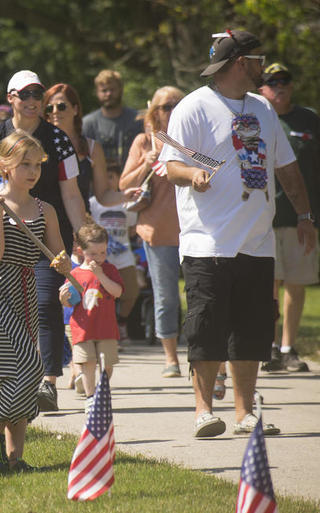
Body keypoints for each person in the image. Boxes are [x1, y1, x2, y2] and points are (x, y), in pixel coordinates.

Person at [160, 29, 316, 437]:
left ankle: (245, 413)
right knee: (206, 327)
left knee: (251, 330)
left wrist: (304, 215)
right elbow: (170, 163)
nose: (264, 66)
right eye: (259, 58)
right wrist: (192, 173)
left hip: (257, 242)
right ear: (242, 63)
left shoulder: (264, 109)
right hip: (207, 241)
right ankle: (203, 411)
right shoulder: (193, 108)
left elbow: (286, 167)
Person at [0, 70, 86, 413]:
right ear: (10, 98)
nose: (32, 101)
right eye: (24, 95)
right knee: (11, 319)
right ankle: (12, 388)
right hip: (4, 239)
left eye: (37, 94)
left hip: (47, 236)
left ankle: (47, 383)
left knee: (45, 304)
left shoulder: (60, 141)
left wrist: (82, 236)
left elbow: (71, 194)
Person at [0, 130, 72, 473]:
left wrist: (63, 263)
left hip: (26, 291)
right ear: (5, 166)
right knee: (32, 366)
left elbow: (59, 253)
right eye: (24, 164)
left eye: (37, 165)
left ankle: (14, 458)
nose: (32, 171)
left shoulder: (46, 209)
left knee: (10, 377)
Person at [119, 86, 186, 377]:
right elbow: (123, 185)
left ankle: (203, 356)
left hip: (195, 231)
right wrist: (147, 162)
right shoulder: (144, 141)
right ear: (154, 112)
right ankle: (171, 358)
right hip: (157, 231)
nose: (172, 110)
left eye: (177, 105)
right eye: (166, 106)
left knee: (200, 297)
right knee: (167, 296)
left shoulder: (190, 139)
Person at [259, 62, 317, 373]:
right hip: (264, 218)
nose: (279, 86)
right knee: (269, 283)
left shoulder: (308, 119)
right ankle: (268, 346)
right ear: (261, 89)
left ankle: (288, 348)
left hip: (301, 219)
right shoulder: (257, 119)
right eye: (271, 82)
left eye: (284, 81)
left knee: (296, 282)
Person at [60, 220, 123, 413]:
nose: (99, 257)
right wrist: (63, 298)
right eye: (93, 254)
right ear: (80, 251)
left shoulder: (109, 269)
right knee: (88, 364)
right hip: (83, 328)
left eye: (103, 252)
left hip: (106, 327)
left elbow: (117, 292)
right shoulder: (75, 273)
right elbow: (70, 301)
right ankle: (90, 397)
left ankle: (102, 392)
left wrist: (101, 275)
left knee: (107, 364)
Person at [44, 83, 134, 210]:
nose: (55, 112)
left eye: (61, 106)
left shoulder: (92, 148)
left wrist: (125, 196)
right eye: (49, 108)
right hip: (45, 223)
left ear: (75, 109)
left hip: (80, 223)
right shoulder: (38, 145)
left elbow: (103, 196)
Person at [88, 162, 139, 343]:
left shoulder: (126, 204)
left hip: (124, 255)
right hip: (101, 258)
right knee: (99, 293)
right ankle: (104, 331)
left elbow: (133, 229)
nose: (107, 182)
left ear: (119, 179)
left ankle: (122, 322)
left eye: (111, 177)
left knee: (131, 292)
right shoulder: (93, 204)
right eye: (103, 178)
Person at [83, 70, 144, 167]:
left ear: (121, 89)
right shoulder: (88, 124)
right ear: (97, 93)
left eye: (112, 89)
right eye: (104, 90)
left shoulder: (138, 120)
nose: (108, 94)